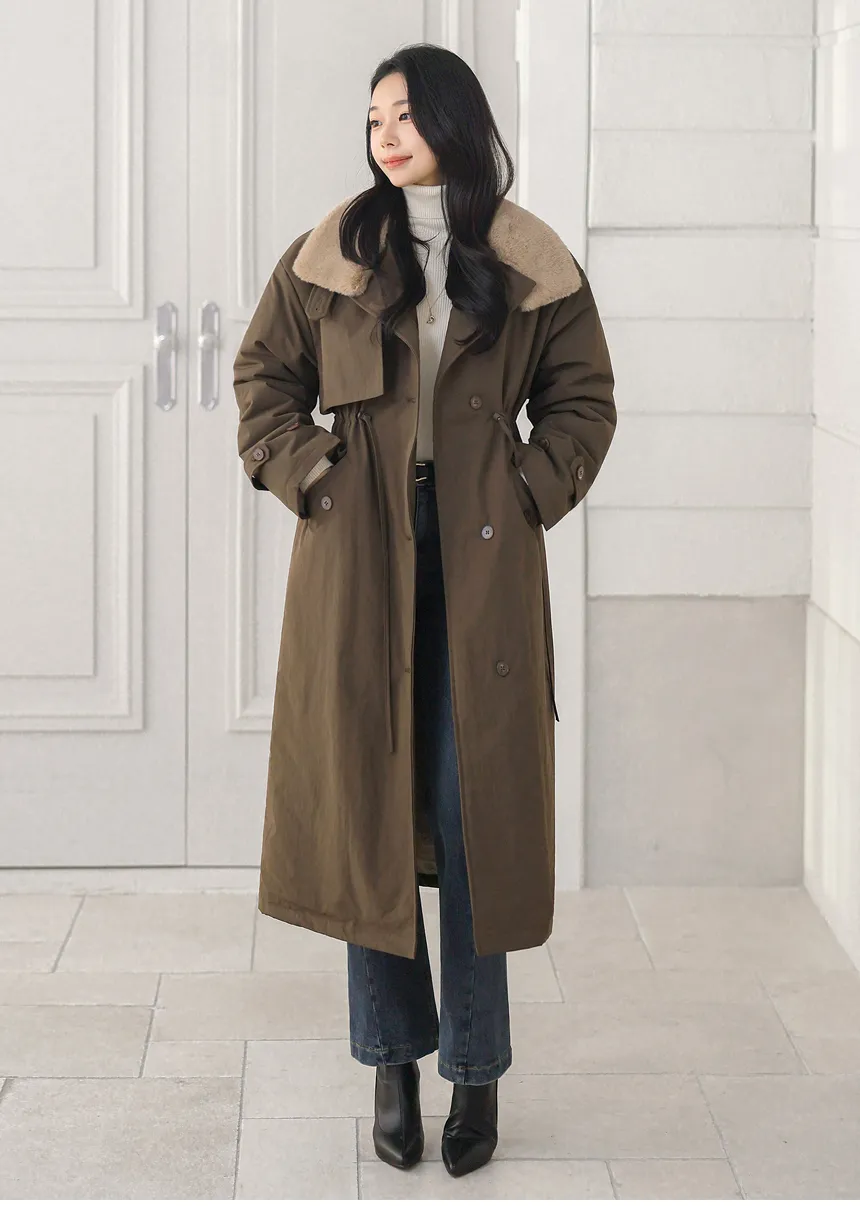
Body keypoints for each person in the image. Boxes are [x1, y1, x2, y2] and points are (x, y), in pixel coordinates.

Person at [234, 44, 617, 1179]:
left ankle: (478, 1070)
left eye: (403, 114)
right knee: (370, 818)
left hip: (482, 570)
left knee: (471, 818)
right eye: (372, 119)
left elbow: (583, 402)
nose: (384, 135)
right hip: (359, 568)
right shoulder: (329, 255)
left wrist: (528, 489)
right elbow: (262, 385)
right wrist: (313, 476)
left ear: (453, 120)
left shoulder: (529, 259)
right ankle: (391, 1063)